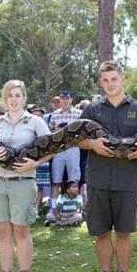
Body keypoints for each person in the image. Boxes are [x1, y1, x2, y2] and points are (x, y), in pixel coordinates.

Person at [78, 60, 137, 272]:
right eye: (105, 80)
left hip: (127, 180)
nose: (109, 84)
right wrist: (91, 143)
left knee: (125, 232)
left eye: (114, 79)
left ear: (123, 79)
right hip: (98, 178)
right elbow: (77, 137)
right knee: (102, 233)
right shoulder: (93, 110)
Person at [0, 80, 53, 272]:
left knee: (21, 231)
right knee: (2, 233)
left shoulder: (36, 122)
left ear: (24, 97)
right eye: (10, 95)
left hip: (23, 181)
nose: (14, 99)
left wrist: (35, 163)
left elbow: (51, 148)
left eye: (18, 95)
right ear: (5, 99)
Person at [47, 90, 82, 219]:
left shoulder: (79, 113)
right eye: (62, 98)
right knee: (56, 181)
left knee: (74, 180)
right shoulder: (55, 115)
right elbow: (48, 133)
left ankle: (75, 208)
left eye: (67, 98)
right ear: (60, 100)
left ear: (71, 99)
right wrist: (55, 130)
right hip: (58, 150)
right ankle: (53, 208)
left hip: (73, 149)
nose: (65, 100)